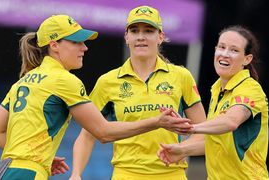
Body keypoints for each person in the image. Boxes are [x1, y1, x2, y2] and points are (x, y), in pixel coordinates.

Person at [0, 14, 194, 180]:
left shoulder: (24, 80)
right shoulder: (65, 81)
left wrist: (38, 157)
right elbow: (103, 132)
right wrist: (157, 121)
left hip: (2, 170)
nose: (84, 47)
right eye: (76, 42)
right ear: (54, 45)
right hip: (28, 174)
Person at [69, 5, 206, 180]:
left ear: (160, 37)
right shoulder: (107, 81)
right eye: (134, 31)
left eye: (148, 31)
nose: (141, 37)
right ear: (126, 37)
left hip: (171, 174)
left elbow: (204, 133)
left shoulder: (181, 76)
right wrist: (76, 174)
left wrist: (182, 149)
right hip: (126, 174)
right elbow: (87, 135)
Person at [157, 25, 269, 179]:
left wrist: (190, 128)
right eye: (221, 47)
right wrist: (182, 150)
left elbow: (231, 122)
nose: (225, 54)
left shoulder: (251, 89)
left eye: (234, 50)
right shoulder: (217, 89)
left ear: (247, 59)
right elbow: (217, 142)